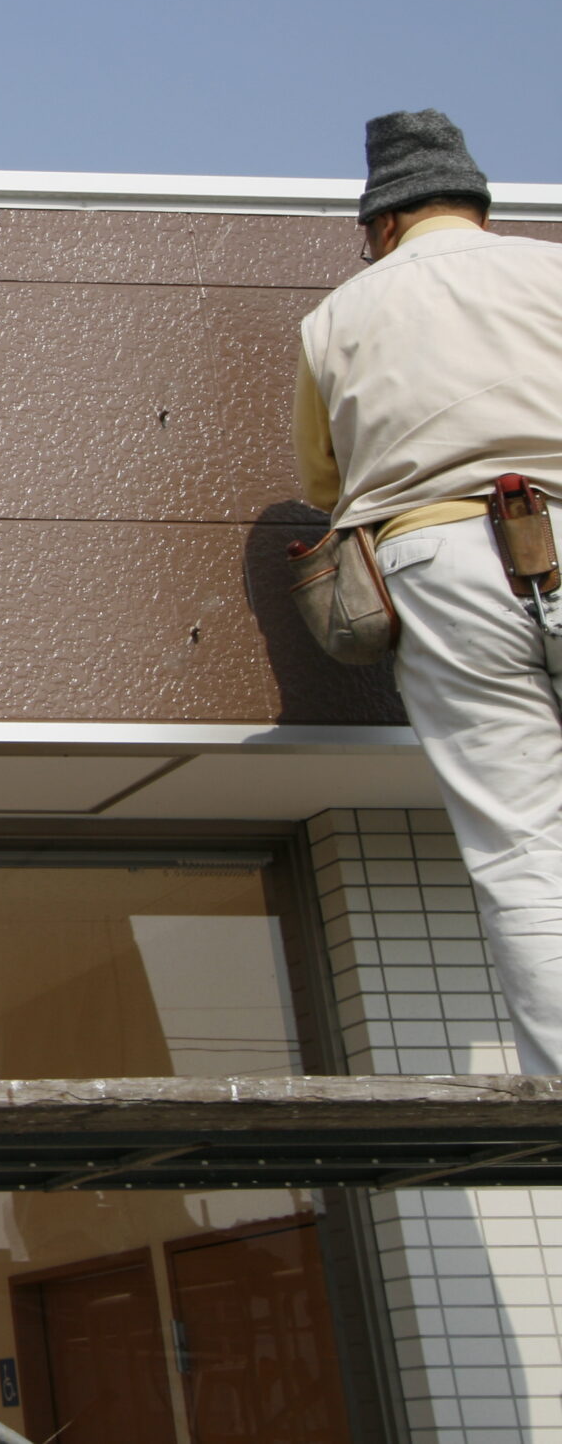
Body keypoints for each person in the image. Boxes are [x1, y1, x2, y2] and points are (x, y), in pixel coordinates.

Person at [296, 109, 562, 1074]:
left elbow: (325, 484)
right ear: (479, 209)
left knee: (523, 843)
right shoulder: (551, 270)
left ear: (385, 224)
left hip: (438, 557)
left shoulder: (339, 315)